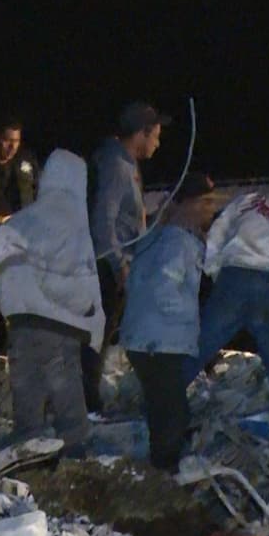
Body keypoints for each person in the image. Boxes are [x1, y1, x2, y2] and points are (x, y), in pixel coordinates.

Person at [183, 164, 269, 431]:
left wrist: (215, 271)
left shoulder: (249, 200)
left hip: (233, 276)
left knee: (200, 344)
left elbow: (217, 232)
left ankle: (162, 402)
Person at [0, 149, 104, 458]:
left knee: (27, 389)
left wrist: (8, 302)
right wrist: (87, 311)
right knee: (65, 391)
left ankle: (26, 455)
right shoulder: (69, 220)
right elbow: (72, 276)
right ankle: (75, 457)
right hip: (57, 324)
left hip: (22, 324)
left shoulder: (25, 219)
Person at [119, 173, 221, 471]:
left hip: (142, 338)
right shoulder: (177, 242)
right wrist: (192, 326)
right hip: (160, 341)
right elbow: (165, 289)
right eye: (207, 203)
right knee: (172, 416)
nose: (211, 211)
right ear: (190, 204)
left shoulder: (153, 237)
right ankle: (165, 480)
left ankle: (159, 472)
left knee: (161, 410)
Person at [83, 101, 171, 420]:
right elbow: (103, 222)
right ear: (140, 133)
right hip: (105, 268)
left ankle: (90, 399)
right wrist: (118, 265)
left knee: (103, 335)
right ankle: (87, 405)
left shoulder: (126, 163)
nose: (158, 144)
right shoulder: (116, 166)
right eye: (156, 136)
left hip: (116, 265)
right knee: (96, 336)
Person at [0, 114, 40, 352]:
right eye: (6, 140)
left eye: (15, 141)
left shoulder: (26, 162)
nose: (11, 147)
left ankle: (7, 355)